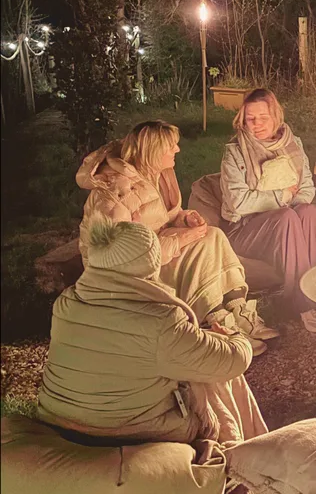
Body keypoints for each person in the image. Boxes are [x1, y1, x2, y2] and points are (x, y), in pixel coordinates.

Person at [38, 218, 268, 446]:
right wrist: (235, 338)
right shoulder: (160, 320)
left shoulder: (66, 303)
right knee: (214, 379)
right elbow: (233, 360)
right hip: (130, 433)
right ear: (149, 263)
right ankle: (244, 460)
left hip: (60, 421)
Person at [76, 120, 274, 355]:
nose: (178, 150)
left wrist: (184, 219)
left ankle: (238, 308)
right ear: (154, 151)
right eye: (172, 146)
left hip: (153, 248)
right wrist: (180, 241)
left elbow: (159, 218)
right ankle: (217, 321)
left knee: (214, 236)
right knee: (201, 251)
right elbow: (121, 257)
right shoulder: (115, 191)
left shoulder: (156, 175)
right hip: (123, 274)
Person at [219, 88, 316, 333]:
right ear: (243, 119)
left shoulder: (293, 145)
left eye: (263, 117)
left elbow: (305, 189)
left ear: (275, 116)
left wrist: (292, 202)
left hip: (285, 220)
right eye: (251, 119)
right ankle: (302, 302)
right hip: (246, 231)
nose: (257, 124)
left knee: (306, 212)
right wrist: (282, 197)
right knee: (287, 216)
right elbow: (239, 203)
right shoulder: (235, 152)